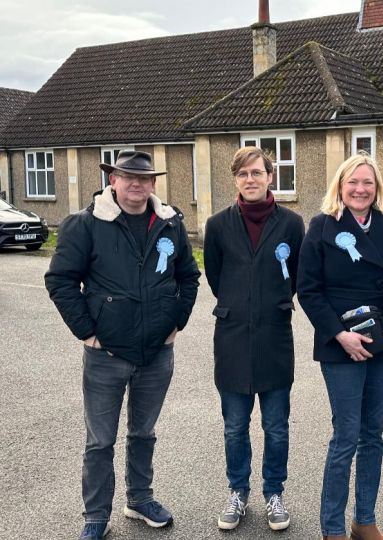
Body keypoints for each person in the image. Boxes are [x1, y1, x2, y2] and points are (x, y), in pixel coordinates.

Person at [44, 150, 200, 540]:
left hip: (156, 352)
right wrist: (87, 333)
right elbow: (60, 280)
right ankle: (96, 516)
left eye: (144, 178)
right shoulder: (85, 224)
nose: (136, 184)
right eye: (126, 177)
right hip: (105, 355)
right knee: (100, 441)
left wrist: (176, 322)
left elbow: (189, 276)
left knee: (144, 433)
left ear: (153, 184)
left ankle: (139, 498)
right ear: (112, 180)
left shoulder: (170, 223)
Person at [297, 153, 383, 540]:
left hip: (382, 342)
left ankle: (364, 521)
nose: (360, 189)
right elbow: (308, 289)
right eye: (353, 182)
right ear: (340, 186)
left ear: (377, 186)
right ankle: (332, 528)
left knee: (373, 435)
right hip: (340, 344)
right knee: (345, 436)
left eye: (367, 182)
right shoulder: (320, 226)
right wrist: (339, 334)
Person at [203, 147, 305, 531]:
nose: (251, 179)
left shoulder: (292, 224)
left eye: (257, 173)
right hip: (231, 339)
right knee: (234, 426)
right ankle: (238, 492)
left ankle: (274, 494)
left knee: (276, 426)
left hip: (275, 338)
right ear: (236, 179)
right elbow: (216, 277)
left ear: (270, 177)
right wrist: (240, 303)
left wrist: (269, 304)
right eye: (243, 174)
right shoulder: (217, 225)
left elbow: (296, 275)